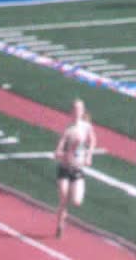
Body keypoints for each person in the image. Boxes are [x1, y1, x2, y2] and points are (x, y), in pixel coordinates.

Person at [54, 99, 97, 239]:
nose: (77, 112)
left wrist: (89, 155)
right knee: (63, 197)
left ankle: (65, 211)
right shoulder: (68, 130)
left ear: (83, 111)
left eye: (80, 109)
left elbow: (92, 140)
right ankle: (60, 224)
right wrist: (66, 154)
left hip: (77, 169)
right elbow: (57, 152)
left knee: (77, 201)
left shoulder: (87, 127)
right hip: (65, 168)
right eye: (75, 109)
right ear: (71, 112)